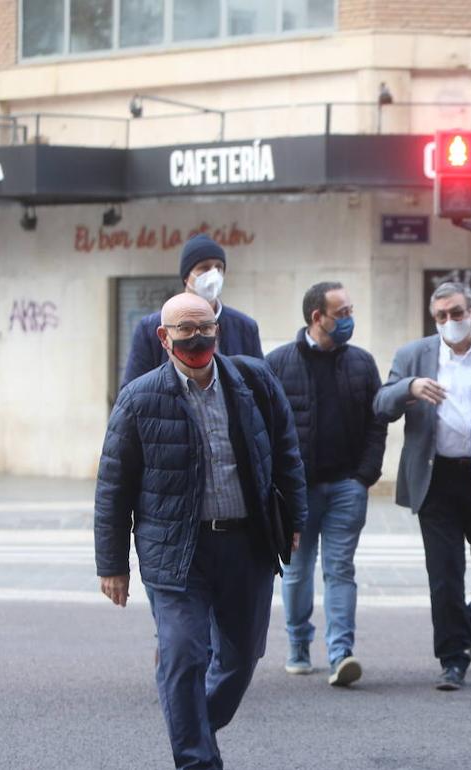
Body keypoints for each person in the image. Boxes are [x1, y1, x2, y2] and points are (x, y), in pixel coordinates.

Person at [95, 293, 307, 770]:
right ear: (163, 338)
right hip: (175, 552)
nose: (196, 337)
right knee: (184, 654)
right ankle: (196, 759)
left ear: (219, 328)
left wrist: (293, 519)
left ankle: (194, 727)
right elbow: (113, 484)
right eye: (184, 329)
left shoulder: (254, 382)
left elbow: (287, 454)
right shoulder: (139, 398)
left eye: (204, 325)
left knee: (241, 659)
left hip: (246, 545)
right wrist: (112, 564)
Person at [374, 282, 471, 692]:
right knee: (444, 574)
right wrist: (410, 388)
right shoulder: (414, 354)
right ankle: (452, 658)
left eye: (457, 313)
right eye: (441, 316)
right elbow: (381, 403)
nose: (450, 322)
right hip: (437, 478)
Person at [266, 281, 387, 686]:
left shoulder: (362, 363)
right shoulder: (278, 363)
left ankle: (341, 654)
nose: (350, 319)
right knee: (297, 572)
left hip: (345, 488)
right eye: (343, 312)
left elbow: (376, 423)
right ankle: (299, 646)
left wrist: (364, 476)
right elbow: (262, 430)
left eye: (351, 310)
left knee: (340, 570)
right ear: (317, 317)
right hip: (296, 494)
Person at [122, 234, 262, 388]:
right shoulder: (150, 328)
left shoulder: (245, 327)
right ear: (187, 276)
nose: (214, 274)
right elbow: (132, 391)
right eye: (204, 268)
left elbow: (261, 385)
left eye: (219, 267)